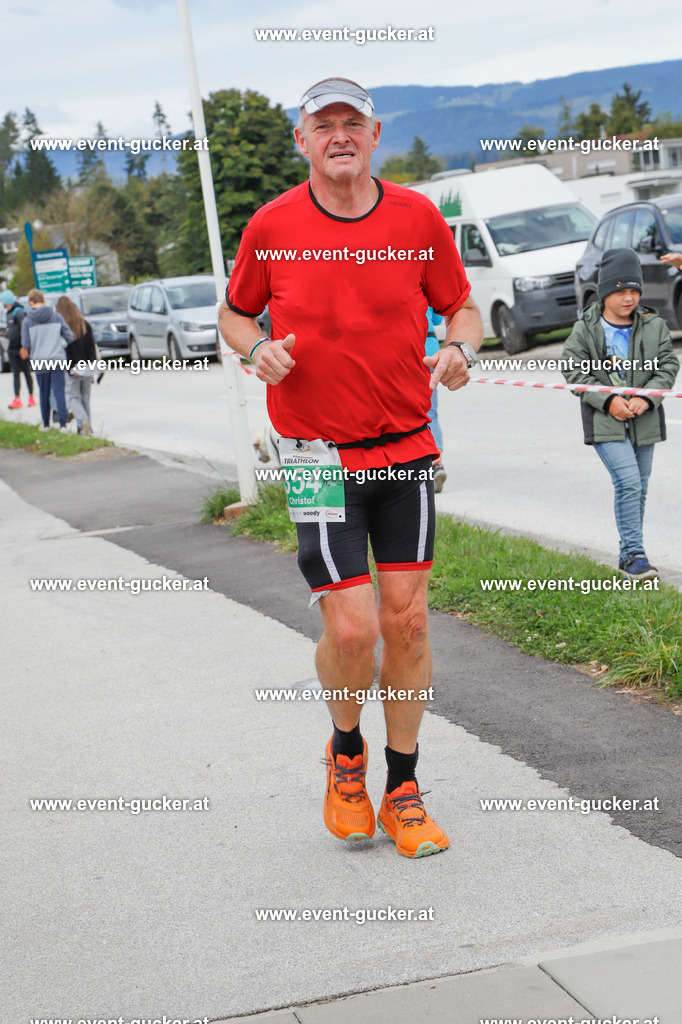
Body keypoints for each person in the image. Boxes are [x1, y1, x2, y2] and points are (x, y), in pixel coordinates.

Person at [219, 77, 482, 858]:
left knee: (408, 621)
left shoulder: (417, 217)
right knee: (354, 626)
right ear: (301, 140)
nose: (339, 135)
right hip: (315, 455)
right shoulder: (272, 225)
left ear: (375, 136)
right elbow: (234, 312)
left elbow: (461, 306)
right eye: (323, 123)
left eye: (352, 123)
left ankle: (402, 788)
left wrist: (461, 348)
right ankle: (345, 756)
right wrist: (255, 348)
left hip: (405, 445)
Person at [562, 248, 679, 579]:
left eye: (634, 290)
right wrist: (608, 400)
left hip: (645, 421)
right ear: (604, 292)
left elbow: (668, 365)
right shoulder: (585, 328)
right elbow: (573, 370)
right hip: (605, 422)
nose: (628, 298)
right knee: (627, 482)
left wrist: (648, 398)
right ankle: (633, 556)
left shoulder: (654, 325)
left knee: (639, 487)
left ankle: (631, 552)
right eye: (620, 291)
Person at [20, 289, 73, 430]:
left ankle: (46, 424)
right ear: (43, 301)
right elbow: (69, 336)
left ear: (31, 302)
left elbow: (26, 344)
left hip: (39, 360)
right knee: (59, 392)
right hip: (57, 358)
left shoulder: (27, 321)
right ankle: (63, 424)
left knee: (44, 392)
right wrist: (61, 344)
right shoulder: (57, 317)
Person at [56, 295, 97, 435]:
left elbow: (65, 350)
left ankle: (83, 420)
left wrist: (69, 368)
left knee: (73, 397)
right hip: (87, 366)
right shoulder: (85, 324)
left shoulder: (63, 327)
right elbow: (91, 347)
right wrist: (93, 365)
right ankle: (88, 428)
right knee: (85, 398)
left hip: (72, 367)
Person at [425, 307, 447, 492]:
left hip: (409, 355)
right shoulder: (427, 293)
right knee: (431, 413)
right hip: (432, 352)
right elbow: (438, 320)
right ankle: (437, 463)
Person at [2, 289, 35, 409]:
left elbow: (25, 330)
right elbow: (12, 330)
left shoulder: (19, 312)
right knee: (16, 374)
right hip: (12, 349)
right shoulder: (8, 313)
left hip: (21, 349)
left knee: (27, 372)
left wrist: (24, 347)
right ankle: (17, 398)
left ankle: (31, 397)